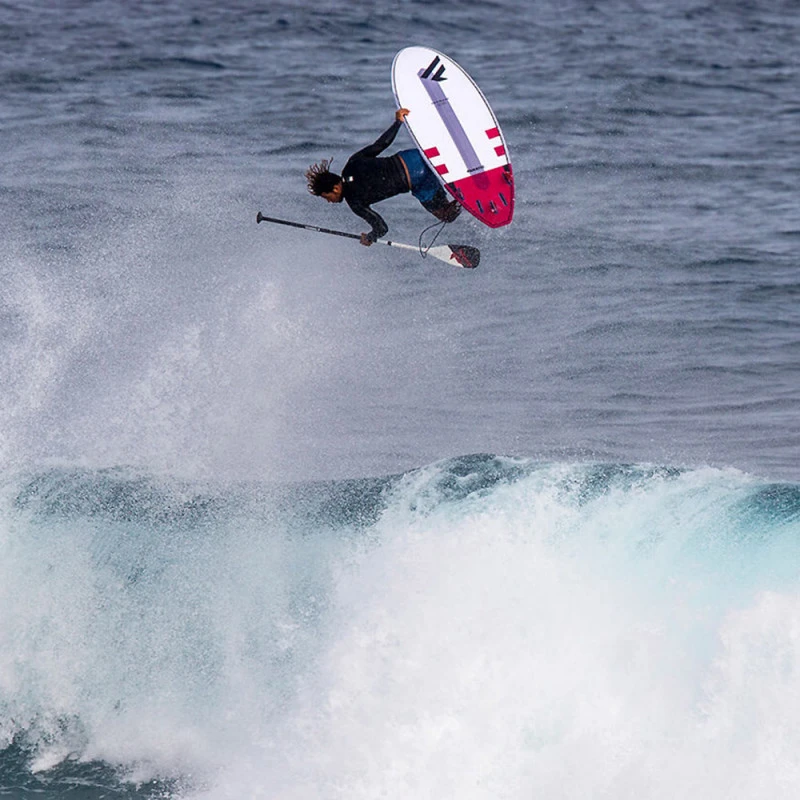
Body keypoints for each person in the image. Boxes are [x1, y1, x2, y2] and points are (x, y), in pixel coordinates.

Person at [305, 108, 461, 246]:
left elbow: (382, 228)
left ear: (335, 188)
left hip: (417, 180)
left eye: (327, 197)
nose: (329, 201)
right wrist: (398, 122)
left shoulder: (355, 202)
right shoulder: (352, 163)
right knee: (446, 164)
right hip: (413, 156)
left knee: (447, 215)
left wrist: (370, 237)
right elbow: (381, 144)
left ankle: (463, 195)